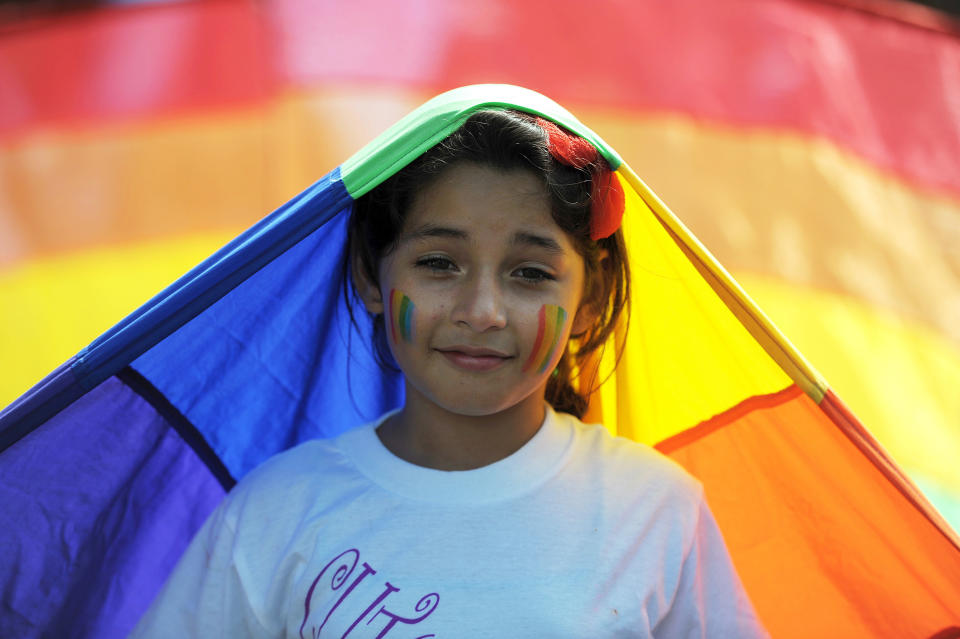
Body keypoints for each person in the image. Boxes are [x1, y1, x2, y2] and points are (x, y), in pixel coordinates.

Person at [130, 107, 769, 637]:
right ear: (370, 275)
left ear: (591, 300)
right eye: (439, 263)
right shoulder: (277, 512)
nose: (482, 311)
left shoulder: (656, 509)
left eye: (530, 273)